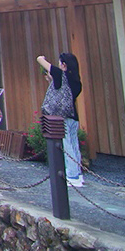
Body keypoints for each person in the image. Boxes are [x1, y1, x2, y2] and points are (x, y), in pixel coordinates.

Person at [37, 52, 84, 187]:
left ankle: (72, 175)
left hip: (61, 116)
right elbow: (66, 91)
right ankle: (78, 174)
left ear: (64, 64)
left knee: (67, 144)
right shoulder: (76, 81)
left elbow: (40, 60)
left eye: (59, 62)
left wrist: (42, 58)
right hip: (73, 116)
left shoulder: (59, 73)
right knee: (74, 145)